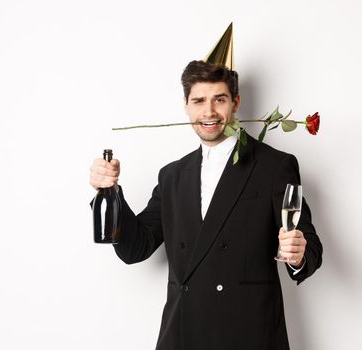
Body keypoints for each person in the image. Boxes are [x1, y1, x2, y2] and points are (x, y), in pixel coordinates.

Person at [89, 60, 322, 350]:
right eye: (199, 100)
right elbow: (136, 247)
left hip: (248, 335)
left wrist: (298, 254)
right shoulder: (172, 175)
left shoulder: (274, 166)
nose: (209, 112)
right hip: (183, 335)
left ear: (235, 103)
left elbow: (310, 245)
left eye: (219, 99)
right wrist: (109, 192)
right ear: (186, 105)